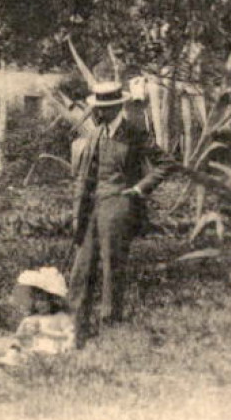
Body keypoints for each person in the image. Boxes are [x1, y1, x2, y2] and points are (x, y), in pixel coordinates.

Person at [66, 78, 171, 342]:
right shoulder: (93, 135)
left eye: (105, 107)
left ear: (116, 108)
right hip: (91, 207)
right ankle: (77, 328)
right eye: (98, 106)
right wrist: (77, 210)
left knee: (113, 265)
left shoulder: (134, 135)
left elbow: (166, 163)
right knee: (82, 267)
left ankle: (110, 327)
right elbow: (83, 176)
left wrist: (138, 189)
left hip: (119, 205)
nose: (99, 112)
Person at [0, 267, 76, 367]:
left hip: (53, 350)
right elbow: (20, 337)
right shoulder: (32, 318)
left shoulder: (60, 317)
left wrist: (45, 332)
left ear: (52, 301)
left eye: (44, 300)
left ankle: (25, 361)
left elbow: (69, 336)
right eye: (37, 300)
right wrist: (24, 333)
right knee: (20, 348)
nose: (40, 304)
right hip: (36, 349)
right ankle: (11, 357)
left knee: (42, 357)